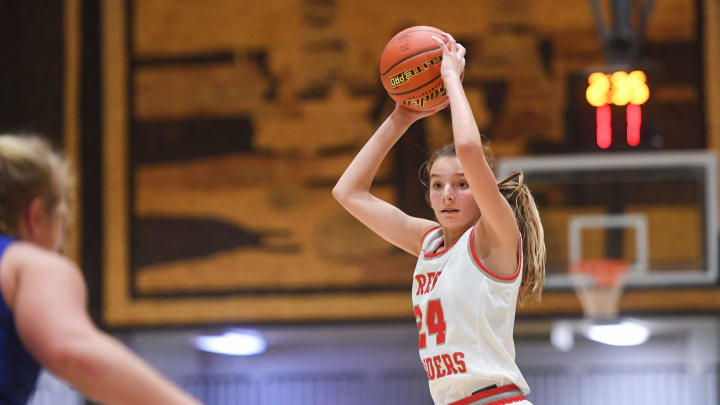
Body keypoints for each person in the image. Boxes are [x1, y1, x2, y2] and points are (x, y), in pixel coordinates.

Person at [333, 33, 545, 405]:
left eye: (462, 184)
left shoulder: (495, 235)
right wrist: (401, 116)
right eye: (437, 184)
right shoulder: (428, 242)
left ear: (482, 191)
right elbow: (348, 192)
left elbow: (466, 147)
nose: (447, 194)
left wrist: (449, 77)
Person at [0, 134, 201, 404]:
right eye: (63, 224)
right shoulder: (27, 265)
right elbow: (73, 351)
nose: (62, 245)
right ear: (34, 216)